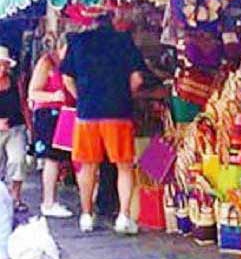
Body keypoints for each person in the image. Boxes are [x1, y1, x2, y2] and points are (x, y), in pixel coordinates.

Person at [60, 15, 146, 234]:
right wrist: (124, 96)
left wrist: (82, 99)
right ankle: (124, 217)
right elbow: (137, 79)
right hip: (118, 112)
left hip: (87, 113)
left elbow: (67, 78)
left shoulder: (76, 41)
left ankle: (87, 215)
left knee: (88, 166)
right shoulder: (124, 41)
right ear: (113, 22)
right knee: (124, 166)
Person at [27, 33, 75, 218]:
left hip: (68, 113)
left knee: (64, 157)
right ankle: (48, 202)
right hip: (49, 114)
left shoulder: (69, 63)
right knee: (52, 158)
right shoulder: (46, 62)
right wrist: (53, 96)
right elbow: (33, 92)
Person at [0, 46, 28, 212]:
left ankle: (15, 198)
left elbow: (23, 101)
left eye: (4, 64)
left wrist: (30, 125)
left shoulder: (14, 80)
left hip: (15, 127)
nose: (2, 68)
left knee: (18, 161)